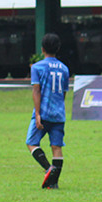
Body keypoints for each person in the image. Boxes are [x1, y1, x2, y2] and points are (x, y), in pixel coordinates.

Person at [25, 33, 70, 189]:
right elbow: (63, 93)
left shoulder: (37, 67)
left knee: (31, 142)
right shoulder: (64, 69)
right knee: (56, 147)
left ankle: (48, 169)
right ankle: (54, 182)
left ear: (42, 49)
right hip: (58, 114)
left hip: (43, 112)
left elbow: (36, 91)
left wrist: (37, 114)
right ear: (57, 49)